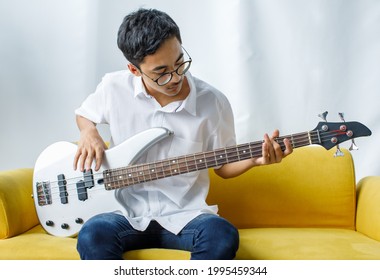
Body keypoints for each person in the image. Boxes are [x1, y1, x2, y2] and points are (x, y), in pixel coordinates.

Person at [73, 8, 293, 260]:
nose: (176, 77)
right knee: (92, 235)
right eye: (161, 72)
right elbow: (84, 114)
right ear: (135, 70)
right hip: (123, 212)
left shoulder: (213, 102)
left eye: (179, 63)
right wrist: (88, 131)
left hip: (187, 216)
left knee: (222, 235)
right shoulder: (113, 87)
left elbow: (223, 165)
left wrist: (256, 159)